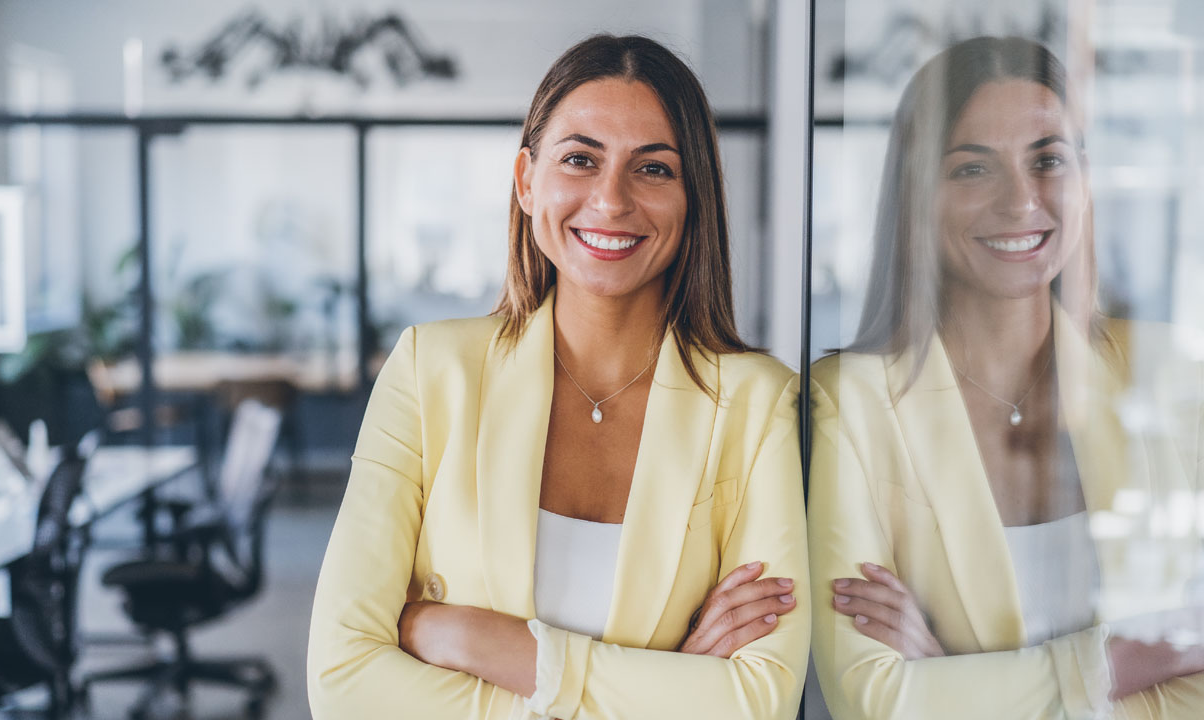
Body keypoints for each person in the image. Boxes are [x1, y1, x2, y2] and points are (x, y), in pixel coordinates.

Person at [309, 34, 809, 719]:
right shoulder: (431, 370)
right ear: (526, 180)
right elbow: (342, 679)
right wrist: (664, 690)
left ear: (694, 196)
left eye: (654, 169)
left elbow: (760, 701)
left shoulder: (758, 404)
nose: (610, 201)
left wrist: (480, 640)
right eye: (580, 159)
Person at [809, 35, 1204, 719]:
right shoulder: (854, 402)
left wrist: (958, 683)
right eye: (972, 169)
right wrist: (1135, 662)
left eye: (1047, 160)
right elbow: (873, 699)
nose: (1021, 201)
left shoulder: (1168, 377)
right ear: (917, 194)